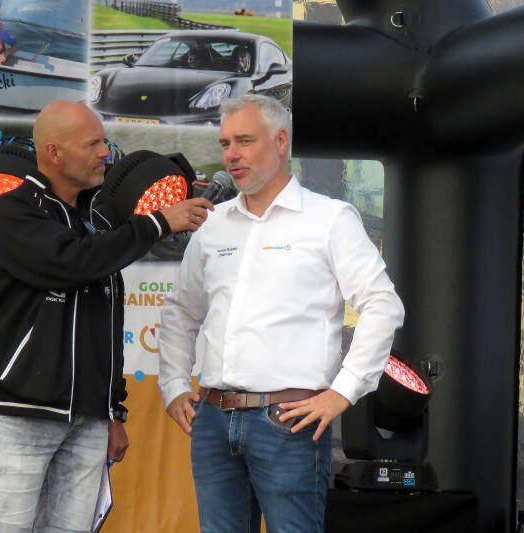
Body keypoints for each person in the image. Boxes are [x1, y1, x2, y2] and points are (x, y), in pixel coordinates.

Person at [158, 94, 405, 533]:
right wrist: (174, 384)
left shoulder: (329, 218)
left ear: (280, 141)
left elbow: (382, 304)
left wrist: (342, 392)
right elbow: (181, 310)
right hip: (213, 417)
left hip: (288, 419)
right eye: (225, 144)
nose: (231, 154)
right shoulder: (213, 223)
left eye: (244, 141)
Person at [0, 100, 213, 533]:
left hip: (88, 421)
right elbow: (70, 262)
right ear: (54, 152)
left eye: (104, 141)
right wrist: (157, 223)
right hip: (21, 415)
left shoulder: (96, 222)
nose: (105, 152)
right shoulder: (10, 211)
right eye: (92, 144)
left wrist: (113, 412)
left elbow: (104, 326)